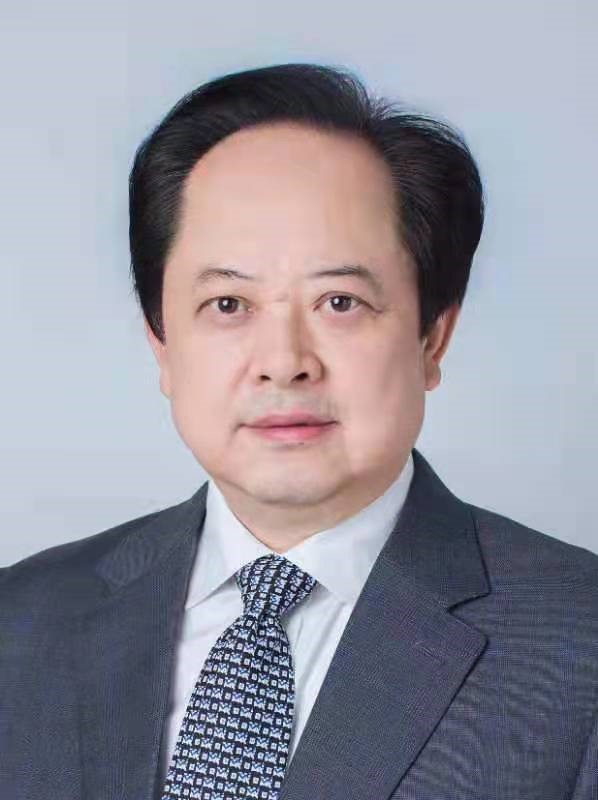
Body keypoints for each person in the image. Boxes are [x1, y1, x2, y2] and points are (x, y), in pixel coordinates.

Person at [1, 62, 596, 800]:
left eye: (340, 302)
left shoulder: (579, 643)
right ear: (162, 346)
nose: (284, 362)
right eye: (228, 305)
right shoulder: (20, 622)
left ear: (431, 339)